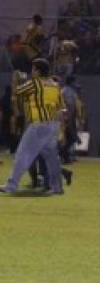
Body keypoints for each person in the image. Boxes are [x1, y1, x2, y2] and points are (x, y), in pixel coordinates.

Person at [0, 59, 65, 195]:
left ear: (38, 71)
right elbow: (61, 107)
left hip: (39, 124)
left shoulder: (35, 83)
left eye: (33, 69)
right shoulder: (55, 85)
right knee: (52, 158)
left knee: (22, 154)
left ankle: (11, 185)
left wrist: (15, 79)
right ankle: (57, 187)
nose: (31, 71)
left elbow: (17, 92)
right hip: (53, 124)